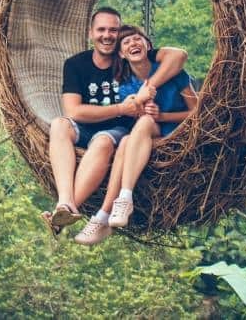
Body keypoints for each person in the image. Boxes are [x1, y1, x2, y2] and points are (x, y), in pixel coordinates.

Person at [44, 8, 188, 238]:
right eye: (101, 29)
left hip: (118, 129)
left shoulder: (130, 57)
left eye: (113, 30)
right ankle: (64, 203)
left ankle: (69, 210)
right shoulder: (76, 64)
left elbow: (178, 56)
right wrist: (122, 108)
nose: (107, 35)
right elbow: (73, 110)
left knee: (102, 141)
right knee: (59, 124)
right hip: (86, 125)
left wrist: (146, 88)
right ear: (91, 33)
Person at [73, 24, 198, 245]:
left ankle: (111, 208)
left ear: (148, 45)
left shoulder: (173, 72)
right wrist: (141, 103)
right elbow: (133, 114)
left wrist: (162, 116)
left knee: (138, 130)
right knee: (132, 135)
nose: (133, 43)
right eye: (126, 42)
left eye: (137, 39)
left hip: (178, 134)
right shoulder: (124, 86)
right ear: (121, 54)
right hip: (147, 137)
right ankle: (113, 207)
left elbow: (198, 113)